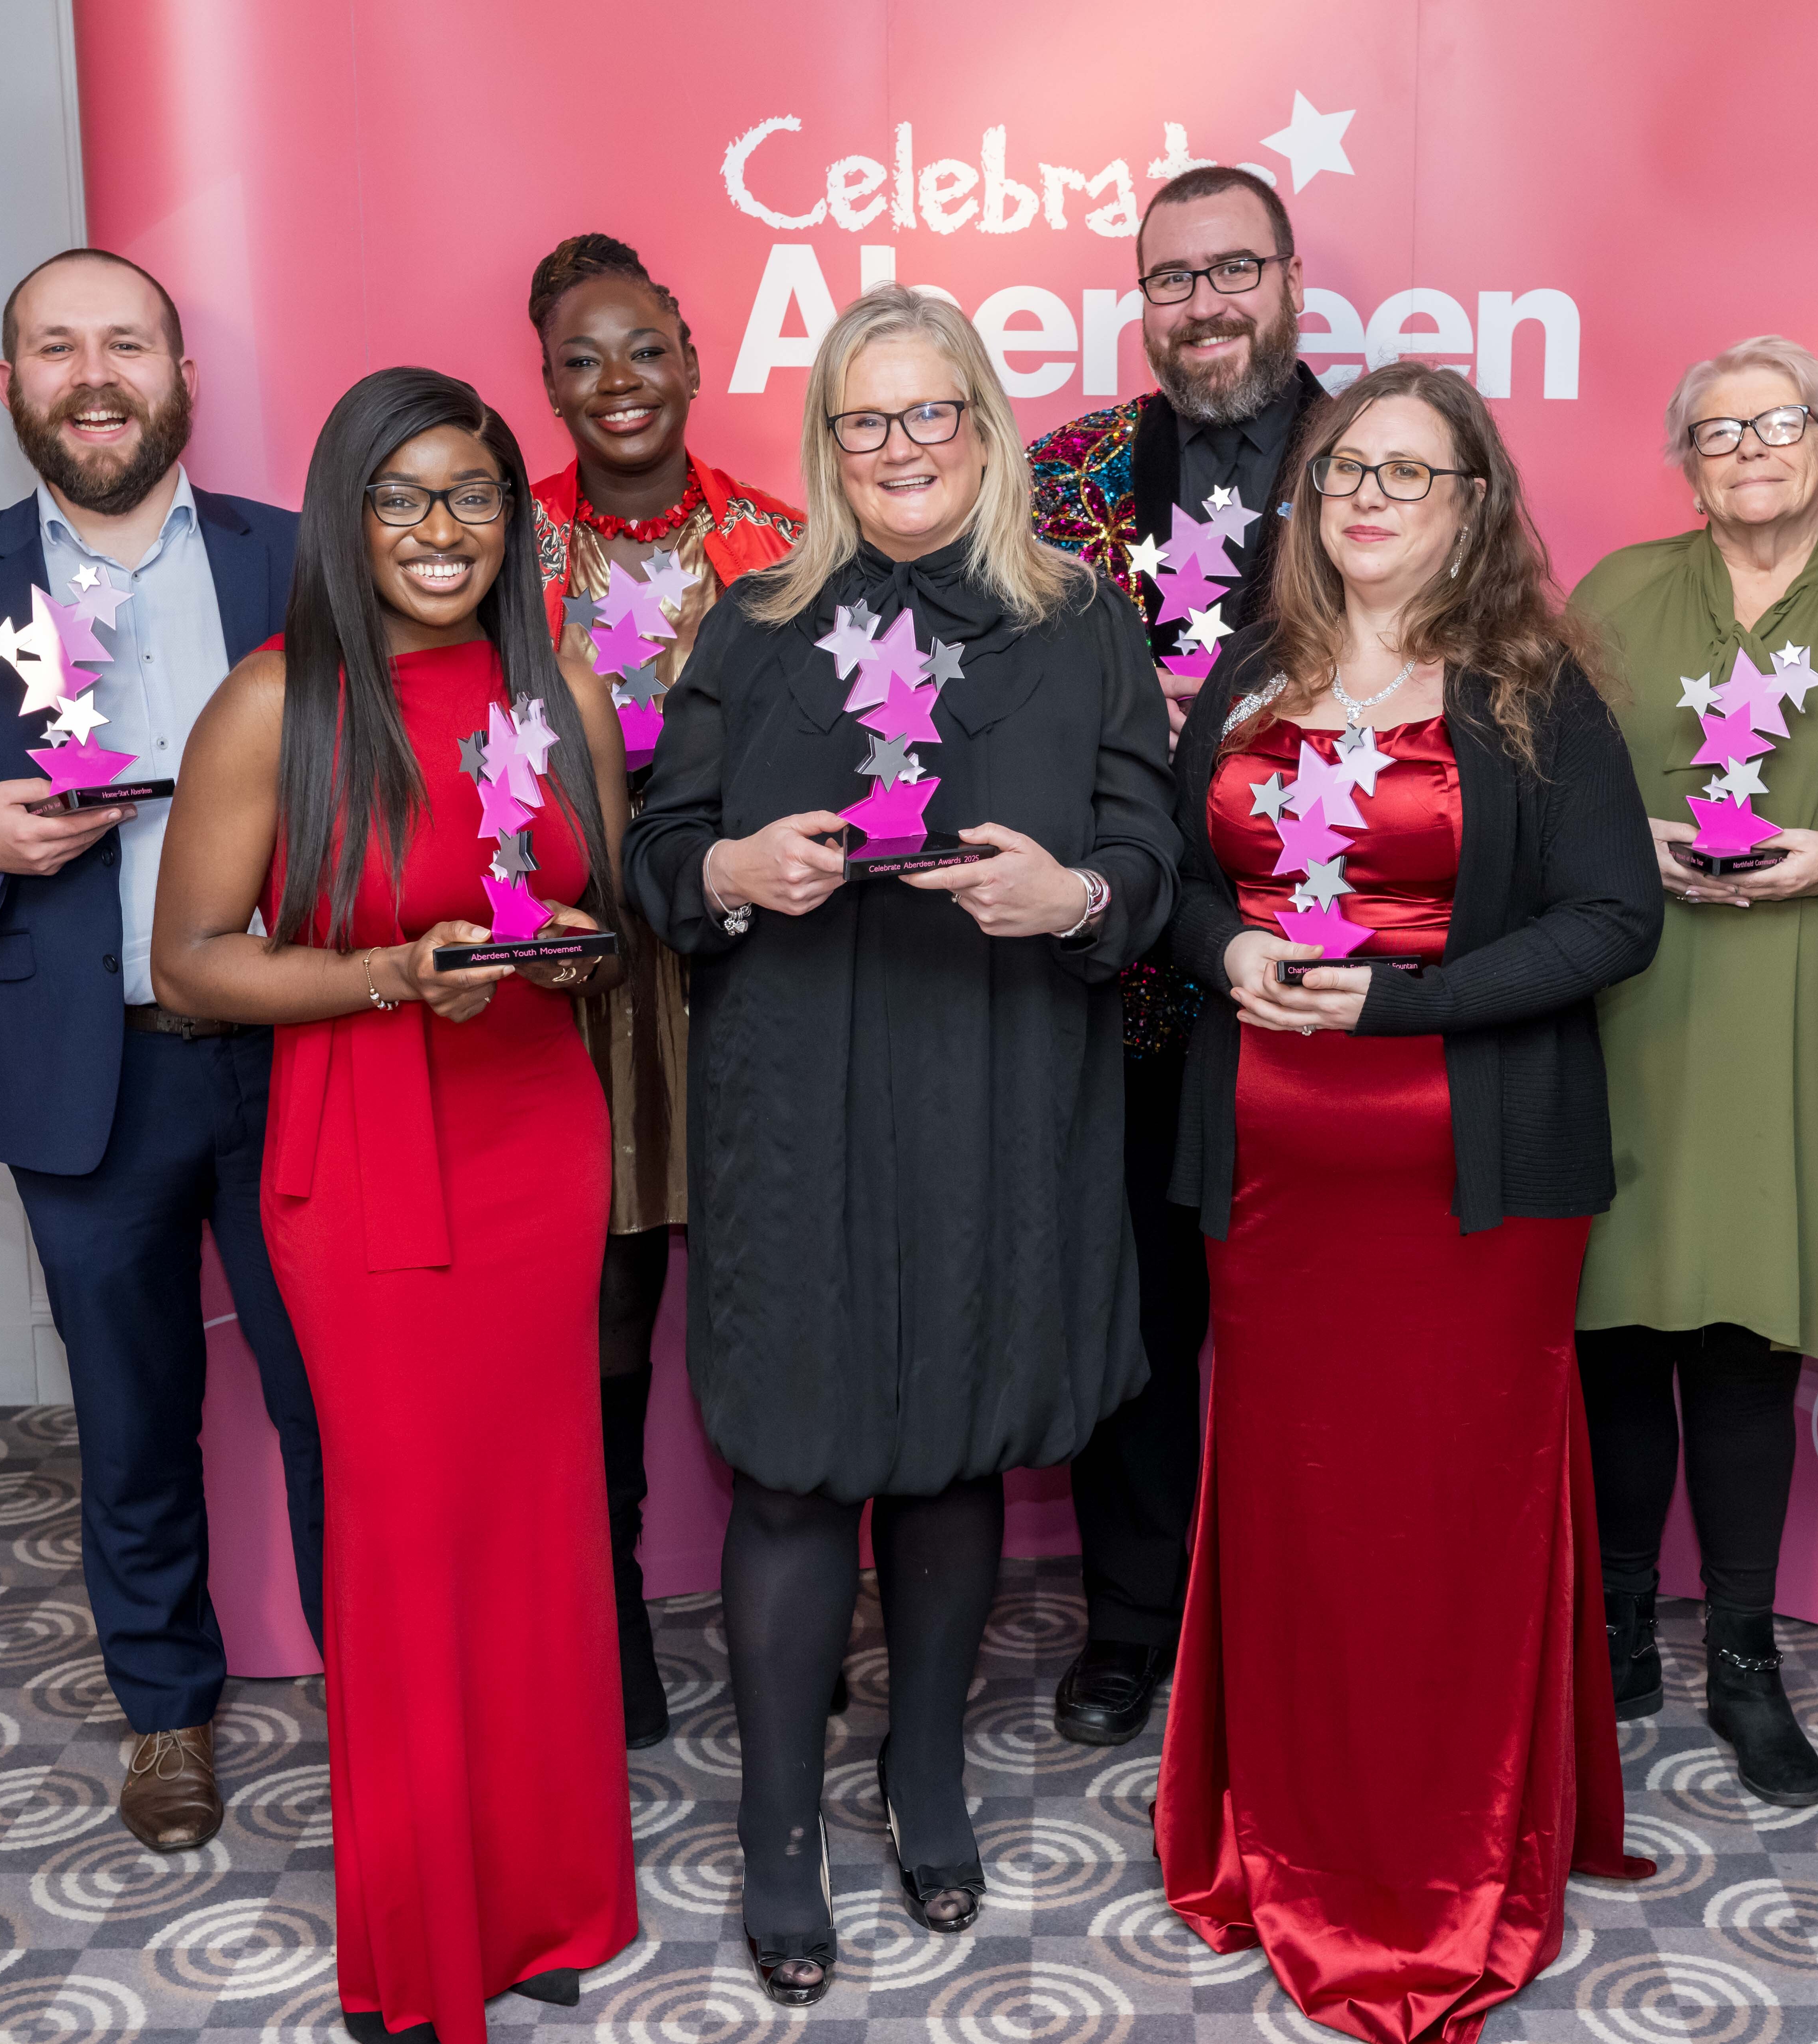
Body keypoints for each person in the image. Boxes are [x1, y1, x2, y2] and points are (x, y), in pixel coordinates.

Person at [622, 284, 1178, 2006]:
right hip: (793, 1101)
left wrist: (1077, 893)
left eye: (930, 413)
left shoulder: (1078, 620)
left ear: (985, 427)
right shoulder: (755, 618)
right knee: (791, 1464)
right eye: (865, 421)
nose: (900, 449)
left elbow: (1149, 842)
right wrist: (725, 874)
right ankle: (777, 1828)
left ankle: (920, 1768)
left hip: (1001, 1091)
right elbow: (660, 847)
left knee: (950, 1454)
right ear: (827, 441)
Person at [1155, 362, 1662, 2044]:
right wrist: (1223, 947)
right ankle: (1281, 1841)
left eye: (1409, 472)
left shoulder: (1529, 691)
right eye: (1343, 468)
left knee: (1446, 1511)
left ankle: (1450, 1869)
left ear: (1472, 507)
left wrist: (1392, 1003)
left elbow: (1610, 923)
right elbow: (1165, 884)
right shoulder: (1245, 676)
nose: (1367, 495)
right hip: (1272, 1180)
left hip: (1472, 1195)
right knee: (1299, 1506)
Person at [149, 368, 638, 2042]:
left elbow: (598, 912)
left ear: (516, 519)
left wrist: (570, 950)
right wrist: (377, 978)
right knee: (412, 1540)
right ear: (346, 517)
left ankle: (556, 1894)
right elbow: (190, 968)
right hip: (364, 1151)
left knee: (537, 1526)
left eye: (476, 498)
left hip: (532, 1134)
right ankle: (423, 1931)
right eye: (404, 498)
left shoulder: (555, 681)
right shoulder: (275, 707)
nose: (444, 533)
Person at [0, 247, 323, 1855]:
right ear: (10, 385)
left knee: (334, 1398)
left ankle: (378, 1683)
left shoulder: (295, 562)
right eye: (55, 348)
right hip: (81, 1069)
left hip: (292, 1046)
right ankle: (166, 1715)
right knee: (132, 1410)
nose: (92, 374)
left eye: (125, 344)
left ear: (181, 378)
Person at [1569, 338, 1818, 1800]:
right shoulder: (1613, 594)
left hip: (1808, 1003)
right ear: (1683, 461)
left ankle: (1741, 1651)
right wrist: (1637, 841)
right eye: (1715, 430)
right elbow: (1546, 779)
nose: (1746, 449)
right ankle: (1609, 1633)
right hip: (1635, 996)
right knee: (1616, 1326)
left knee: (1745, 1343)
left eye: (1776, 423)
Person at [1026, 163, 1329, 1745]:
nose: (1203, 305)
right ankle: (1134, 1621)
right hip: (1126, 983)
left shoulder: (1389, 459)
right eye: (1171, 279)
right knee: (1134, 1313)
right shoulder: (1066, 474)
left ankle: (1296, 1619)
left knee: (1316, 1324)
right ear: (1140, 303)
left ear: (1288, 279)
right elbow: (976, 686)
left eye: (1232, 270)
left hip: (1332, 981)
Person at [524, 231, 802, 1749]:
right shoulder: (507, 553)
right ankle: (612, 1617)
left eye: (642, 349)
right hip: (581, 973)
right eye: (582, 358)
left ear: (693, 359)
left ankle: (804, 1604)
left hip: (750, 955)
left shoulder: (778, 541)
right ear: (548, 385)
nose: (618, 382)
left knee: (765, 1277)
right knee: (609, 1306)